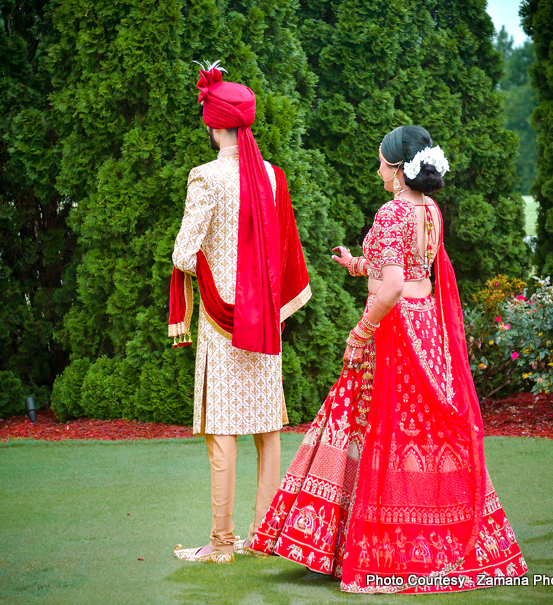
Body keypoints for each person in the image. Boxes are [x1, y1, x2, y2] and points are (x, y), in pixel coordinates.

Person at [250, 126, 527, 592]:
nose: (377, 169)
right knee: (414, 433)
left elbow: (394, 285)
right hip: (426, 328)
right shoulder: (430, 210)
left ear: (398, 169)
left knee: (377, 427)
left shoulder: (391, 212)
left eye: (381, 161)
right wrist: (357, 264)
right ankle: (432, 541)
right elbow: (413, 272)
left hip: (395, 334)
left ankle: (371, 549)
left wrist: (362, 330)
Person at [169, 62, 311, 564]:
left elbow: (185, 254)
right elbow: (289, 255)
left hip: (220, 323)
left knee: (222, 429)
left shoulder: (205, 178)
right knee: (267, 429)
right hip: (266, 319)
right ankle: (265, 536)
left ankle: (222, 544)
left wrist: (198, 261)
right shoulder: (273, 177)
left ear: (214, 124)